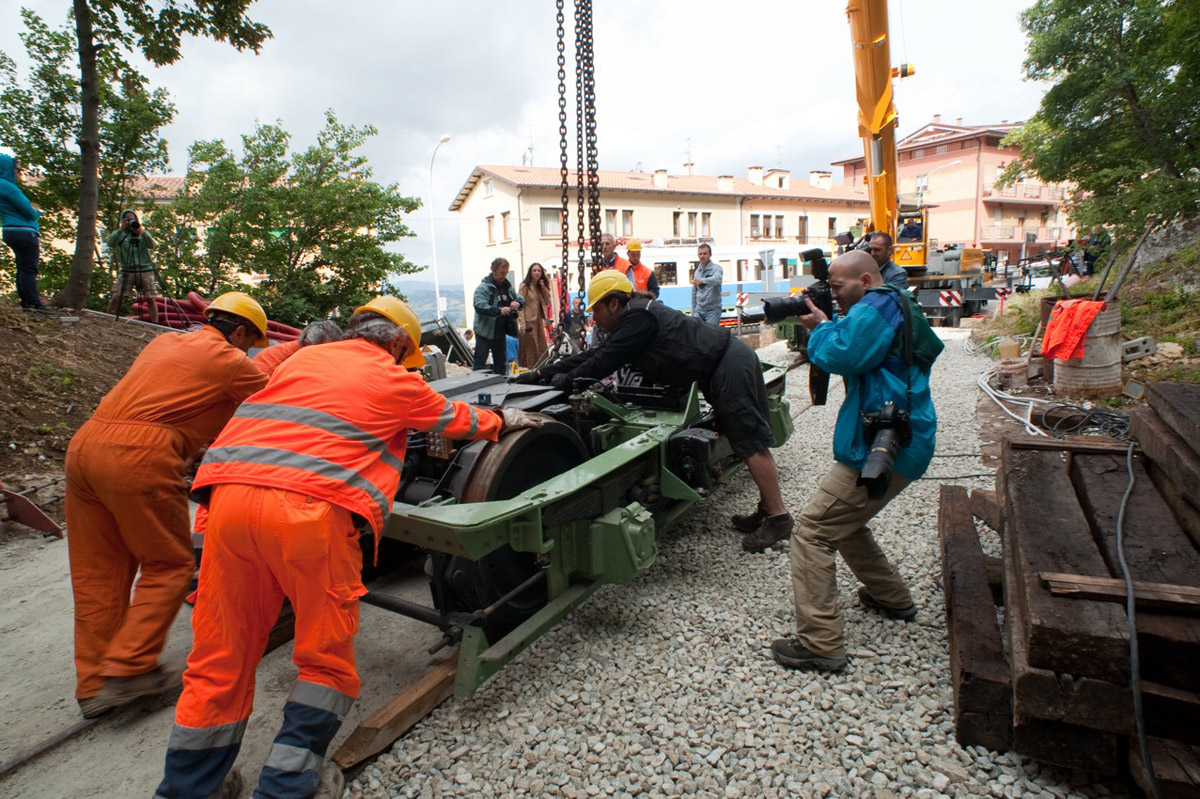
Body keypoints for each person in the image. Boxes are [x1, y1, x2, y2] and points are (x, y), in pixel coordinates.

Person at [157, 296, 543, 799]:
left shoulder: (297, 362)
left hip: (227, 507)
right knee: (324, 660)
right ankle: (287, 784)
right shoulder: (393, 378)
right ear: (400, 343)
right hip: (307, 520)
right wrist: (505, 422)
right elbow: (456, 419)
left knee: (220, 654)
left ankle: (188, 787)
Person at [65, 292, 271, 720]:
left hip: (85, 447)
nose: (250, 352)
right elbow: (281, 403)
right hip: (137, 455)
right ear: (238, 332)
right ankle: (129, 669)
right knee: (170, 565)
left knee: (97, 571)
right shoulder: (230, 361)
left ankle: (94, 684)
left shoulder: (164, 343)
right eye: (251, 343)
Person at [515, 271, 793, 552]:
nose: (594, 317)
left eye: (597, 309)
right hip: (722, 365)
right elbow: (591, 356)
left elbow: (604, 362)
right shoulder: (635, 317)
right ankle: (768, 509)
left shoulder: (637, 319)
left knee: (751, 443)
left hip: (728, 364)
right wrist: (541, 374)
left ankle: (779, 518)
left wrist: (567, 381)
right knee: (743, 438)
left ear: (614, 304)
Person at [771, 250, 942, 673]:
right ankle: (892, 598)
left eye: (837, 286)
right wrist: (831, 324)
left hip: (883, 446)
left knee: (811, 532)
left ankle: (821, 643)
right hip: (902, 437)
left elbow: (841, 355)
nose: (832, 293)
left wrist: (823, 329)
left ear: (866, 280)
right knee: (843, 524)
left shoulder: (878, 306)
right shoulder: (892, 303)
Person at [0, 154, 50, 313]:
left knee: (22, 268)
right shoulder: (8, 187)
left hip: (10, 230)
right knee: (29, 269)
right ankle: (34, 304)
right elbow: (30, 212)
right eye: (18, 169)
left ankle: (26, 301)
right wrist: (36, 211)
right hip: (24, 232)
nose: (20, 173)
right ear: (8, 168)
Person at [107, 210, 159, 325]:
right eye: (127, 219)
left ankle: (155, 324)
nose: (130, 222)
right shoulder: (122, 235)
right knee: (117, 296)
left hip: (145, 269)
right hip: (127, 269)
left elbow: (152, 245)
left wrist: (142, 233)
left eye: (132, 219)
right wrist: (121, 229)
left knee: (150, 297)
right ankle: (109, 319)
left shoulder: (142, 232)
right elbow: (110, 243)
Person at [472, 257, 522, 374]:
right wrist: (499, 310)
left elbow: (520, 298)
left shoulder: (507, 287)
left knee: (501, 363)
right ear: (493, 270)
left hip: (500, 331)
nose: (503, 276)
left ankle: (500, 385)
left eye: (505, 273)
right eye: (501, 273)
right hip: (485, 332)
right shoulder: (483, 288)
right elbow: (479, 306)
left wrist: (517, 303)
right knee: (480, 364)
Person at [517, 262, 552, 368]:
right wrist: (522, 324)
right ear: (530, 272)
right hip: (528, 322)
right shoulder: (525, 286)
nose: (537, 273)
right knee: (531, 349)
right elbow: (520, 306)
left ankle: (540, 370)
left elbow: (547, 302)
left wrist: (543, 287)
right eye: (534, 270)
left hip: (538, 322)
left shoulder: (540, 287)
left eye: (539, 271)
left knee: (541, 348)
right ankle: (529, 370)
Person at [691, 243, 723, 325]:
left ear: (710, 255)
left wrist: (702, 281)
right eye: (700, 254)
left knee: (709, 335)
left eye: (705, 253)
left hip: (712, 310)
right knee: (695, 334)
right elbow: (694, 292)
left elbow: (717, 279)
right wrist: (693, 312)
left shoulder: (716, 269)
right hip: (699, 310)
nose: (702, 256)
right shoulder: (697, 272)